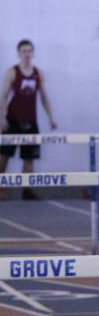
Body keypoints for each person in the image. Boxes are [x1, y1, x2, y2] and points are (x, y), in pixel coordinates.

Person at [0, 39, 58, 200]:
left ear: (33, 53)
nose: (27, 54)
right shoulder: (12, 72)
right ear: (18, 53)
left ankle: (27, 189)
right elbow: (3, 97)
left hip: (31, 121)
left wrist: (51, 118)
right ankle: (0, 185)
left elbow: (44, 96)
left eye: (29, 51)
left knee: (30, 157)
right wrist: (2, 118)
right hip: (13, 120)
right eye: (24, 51)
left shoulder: (38, 73)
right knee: (4, 155)